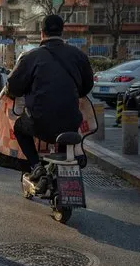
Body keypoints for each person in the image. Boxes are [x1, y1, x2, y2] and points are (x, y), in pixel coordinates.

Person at [6, 14, 94, 183]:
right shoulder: (79, 56)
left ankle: (36, 166)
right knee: (62, 130)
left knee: (19, 127)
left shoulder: (31, 57)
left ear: (42, 33)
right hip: (72, 122)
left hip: (39, 123)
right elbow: (87, 86)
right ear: (62, 31)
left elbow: (14, 87)